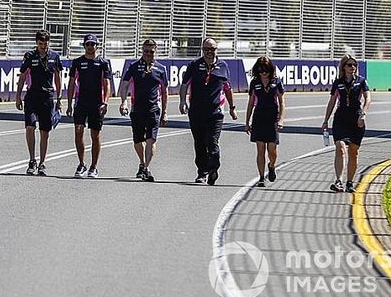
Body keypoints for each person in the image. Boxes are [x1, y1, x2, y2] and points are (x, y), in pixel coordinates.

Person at [179, 37, 238, 185]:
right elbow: (185, 85)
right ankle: (202, 173)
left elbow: (228, 88)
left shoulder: (223, 66)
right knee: (199, 143)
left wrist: (232, 108)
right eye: (206, 49)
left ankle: (213, 169)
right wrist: (182, 101)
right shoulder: (194, 65)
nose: (209, 52)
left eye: (212, 49)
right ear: (202, 50)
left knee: (212, 142)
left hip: (215, 112)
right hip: (197, 111)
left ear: (216, 50)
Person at [118, 39, 168, 182]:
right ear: (142, 51)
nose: (148, 54)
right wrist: (123, 102)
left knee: (151, 139)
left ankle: (147, 168)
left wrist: (164, 112)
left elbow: (164, 92)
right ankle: (141, 162)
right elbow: (125, 85)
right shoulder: (134, 67)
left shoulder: (161, 69)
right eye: (146, 51)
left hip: (153, 109)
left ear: (155, 51)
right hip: (137, 109)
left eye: (151, 51)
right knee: (138, 140)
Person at [15, 29, 64, 176]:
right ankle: (32, 160)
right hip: (31, 96)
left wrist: (59, 98)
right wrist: (18, 96)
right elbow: (23, 77)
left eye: (45, 43)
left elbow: (58, 78)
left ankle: (42, 163)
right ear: (36, 43)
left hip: (47, 97)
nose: (43, 46)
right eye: (40, 43)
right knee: (30, 127)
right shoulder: (29, 56)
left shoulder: (54, 57)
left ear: (49, 43)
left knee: (45, 131)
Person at [322, 55, 371, 193]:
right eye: (349, 65)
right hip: (341, 118)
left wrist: (363, 114)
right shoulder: (338, 82)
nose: (352, 67)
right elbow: (332, 101)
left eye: (354, 65)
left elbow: (368, 98)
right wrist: (326, 120)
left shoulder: (361, 81)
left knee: (353, 152)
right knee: (340, 147)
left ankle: (350, 182)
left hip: (356, 118)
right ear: (343, 67)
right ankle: (339, 181)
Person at [66, 34, 112, 178]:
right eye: (87, 44)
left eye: (93, 44)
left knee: (95, 135)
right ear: (84, 46)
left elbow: (107, 84)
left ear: (97, 46)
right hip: (81, 102)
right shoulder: (77, 62)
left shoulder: (103, 63)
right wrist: (69, 104)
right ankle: (81, 164)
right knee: (78, 131)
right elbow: (72, 83)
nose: (90, 47)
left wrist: (105, 101)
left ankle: (94, 166)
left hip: (97, 103)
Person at [244, 56, 284, 187]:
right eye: (261, 70)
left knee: (272, 149)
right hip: (259, 117)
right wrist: (247, 122)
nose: (264, 72)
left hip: (272, 117)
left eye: (266, 69)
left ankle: (271, 166)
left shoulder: (276, 82)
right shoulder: (254, 83)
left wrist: (281, 119)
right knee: (260, 148)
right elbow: (250, 103)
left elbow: (282, 102)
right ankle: (261, 177)